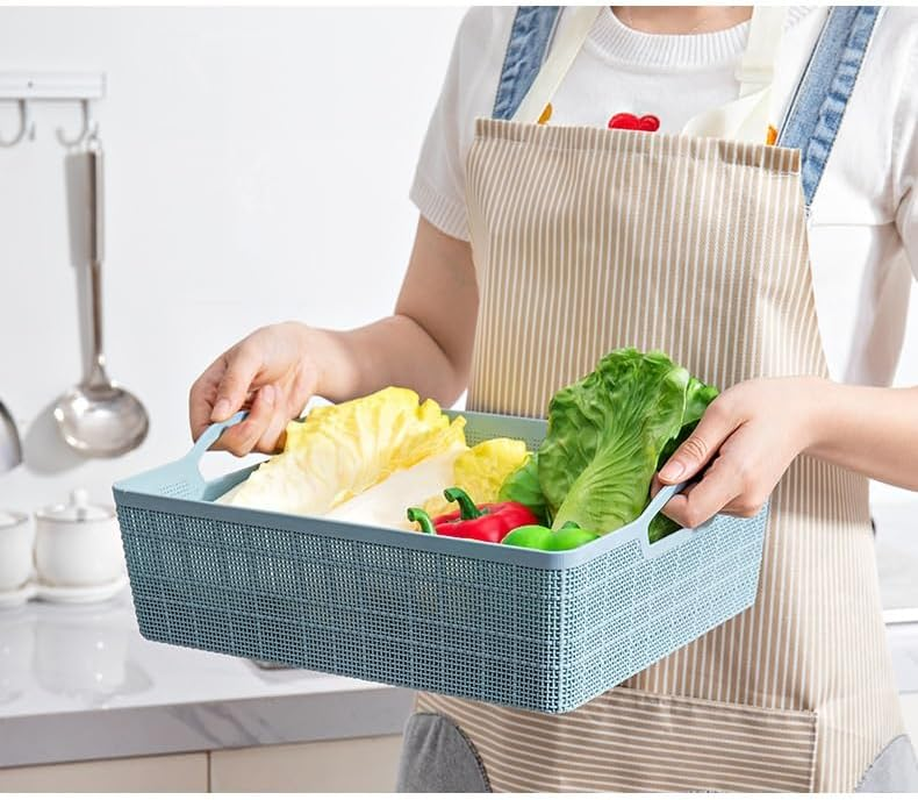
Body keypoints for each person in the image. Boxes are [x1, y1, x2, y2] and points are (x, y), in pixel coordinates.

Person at [189, 5, 918, 792]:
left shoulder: (888, 51)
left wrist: (812, 413)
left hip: (775, 718)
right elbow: (432, 343)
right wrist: (316, 356)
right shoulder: (508, 35)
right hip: (507, 715)